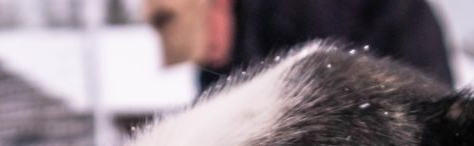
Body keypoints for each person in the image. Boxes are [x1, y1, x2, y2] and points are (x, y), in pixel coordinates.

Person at [147, 0, 453, 90]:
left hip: (402, 90)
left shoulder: (303, 14)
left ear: (218, 9)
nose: (209, 55)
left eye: (208, 44)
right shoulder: (223, 60)